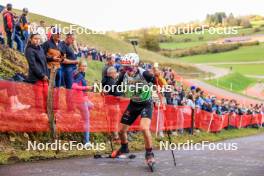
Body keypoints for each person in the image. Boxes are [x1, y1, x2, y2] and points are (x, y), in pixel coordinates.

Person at [111, 53, 160, 164]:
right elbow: (115, 86)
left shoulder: (145, 74)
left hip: (146, 104)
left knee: (144, 128)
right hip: (133, 104)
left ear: (136, 65)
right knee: (121, 131)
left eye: (129, 67)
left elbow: (157, 84)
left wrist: (158, 76)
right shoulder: (124, 74)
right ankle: (124, 147)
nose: (127, 70)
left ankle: (149, 153)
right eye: (124, 67)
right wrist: (106, 91)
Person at [25, 33, 49, 113]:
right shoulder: (29, 50)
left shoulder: (40, 48)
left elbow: (44, 60)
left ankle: (47, 113)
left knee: (46, 96)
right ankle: (39, 114)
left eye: (38, 39)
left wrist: (46, 75)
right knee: (38, 98)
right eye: (35, 38)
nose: (37, 40)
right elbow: (33, 65)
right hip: (36, 77)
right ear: (31, 39)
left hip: (45, 77)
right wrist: (41, 75)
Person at [72, 60, 93, 145]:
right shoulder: (79, 75)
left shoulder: (80, 73)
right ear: (79, 66)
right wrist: (86, 88)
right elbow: (73, 86)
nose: (84, 67)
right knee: (87, 121)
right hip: (80, 100)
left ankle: (81, 119)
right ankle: (86, 142)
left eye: (86, 66)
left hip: (83, 99)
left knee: (91, 105)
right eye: (83, 66)